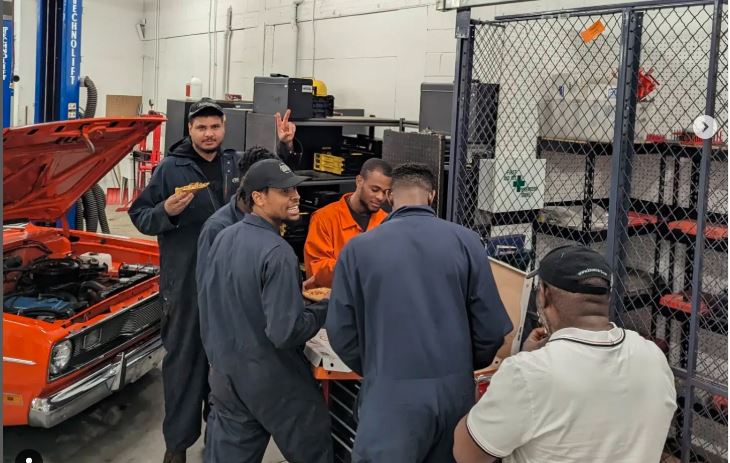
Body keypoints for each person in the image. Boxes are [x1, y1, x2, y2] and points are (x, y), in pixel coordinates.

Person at [326, 162, 512, 462]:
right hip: (455, 396)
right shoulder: (467, 242)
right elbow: (490, 329)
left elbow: (340, 331)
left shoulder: (359, 249)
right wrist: (461, 366)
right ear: (432, 195)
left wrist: (377, 367)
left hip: (389, 396)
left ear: (390, 197)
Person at [453, 245, 677, 463]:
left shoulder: (527, 372)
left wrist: (512, 366)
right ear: (606, 297)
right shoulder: (653, 358)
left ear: (543, 295)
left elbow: (466, 453)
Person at [128, 97, 241, 463]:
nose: (209, 134)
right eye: (201, 127)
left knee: (224, 362)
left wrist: (285, 145)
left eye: (215, 127)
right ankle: (176, 444)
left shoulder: (234, 164)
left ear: (224, 129)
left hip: (229, 282)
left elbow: (270, 184)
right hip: (186, 282)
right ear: (189, 130)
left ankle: (218, 434)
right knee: (183, 365)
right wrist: (166, 212)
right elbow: (140, 215)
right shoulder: (170, 169)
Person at [199, 159, 332, 463]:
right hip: (273, 379)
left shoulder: (224, 236)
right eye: (285, 191)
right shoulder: (278, 252)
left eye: (295, 189)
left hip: (225, 375)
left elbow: (215, 299)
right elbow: (285, 332)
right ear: (258, 197)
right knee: (314, 445)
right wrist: (325, 308)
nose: (296, 196)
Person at [304, 158, 393, 288]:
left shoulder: (387, 223)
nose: (380, 197)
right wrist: (359, 266)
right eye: (375, 189)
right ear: (359, 181)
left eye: (385, 192)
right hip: (333, 302)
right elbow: (316, 270)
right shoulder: (324, 218)